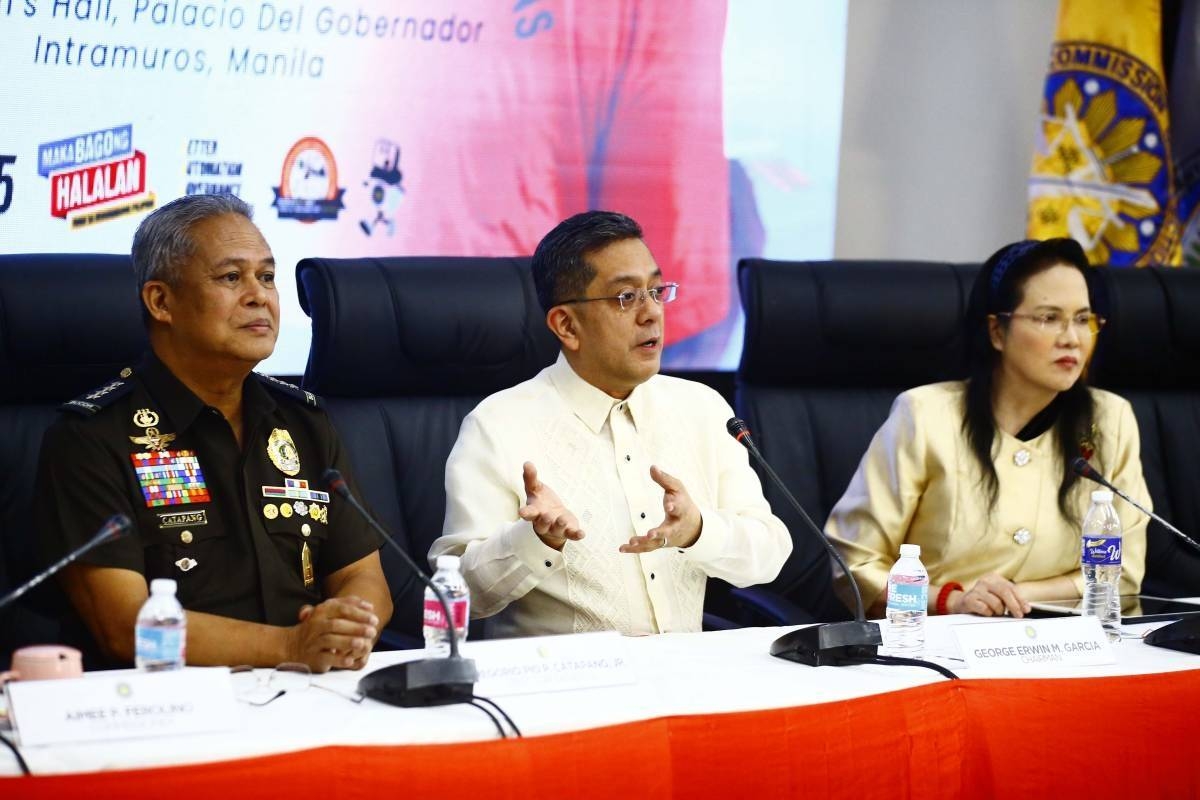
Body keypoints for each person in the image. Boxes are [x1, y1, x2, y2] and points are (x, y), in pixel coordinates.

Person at [34, 194, 392, 671]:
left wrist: (347, 626)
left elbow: (365, 578)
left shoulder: (304, 422)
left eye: (267, 277)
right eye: (231, 277)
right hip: (168, 708)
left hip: (314, 690)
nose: (259, 295)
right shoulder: (91, 438)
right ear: (161, 301)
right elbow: (125, 627)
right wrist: (291, 646)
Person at [430, 210, 791, 637]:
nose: (651, 313)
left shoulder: (704, 409)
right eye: (626, 298)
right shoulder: (499, 425)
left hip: (686, 681)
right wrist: (534, 541)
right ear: (566, 325)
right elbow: (454, 595)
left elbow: (770, 554)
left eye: (656, 291)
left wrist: (698, 531)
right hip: (564, 691)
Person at [825, 238, 1149, 618]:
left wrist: (1016, 596)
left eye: (1083, 319)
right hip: (941, 645)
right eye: (1049, 317)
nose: (1072, 338)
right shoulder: (925, 416)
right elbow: (856, 570)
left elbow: (1124, 575)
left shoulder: (1110, 419)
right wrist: (951, 601)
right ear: (997, 331)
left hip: (1072, 646)